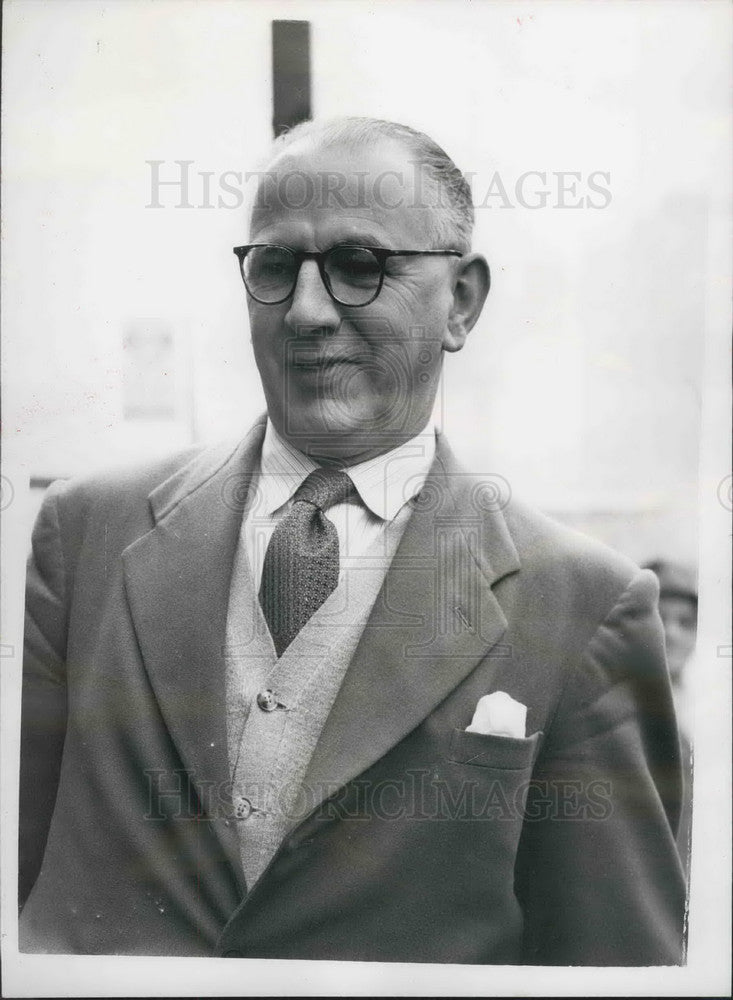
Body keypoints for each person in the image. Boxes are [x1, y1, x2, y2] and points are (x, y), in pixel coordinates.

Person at [19, 117, 686, 964]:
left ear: (463, 301)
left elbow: (614, 971)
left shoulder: (583, 602)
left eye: (357, 267)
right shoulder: (86, 534)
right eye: (273, 267)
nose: (305, 311)